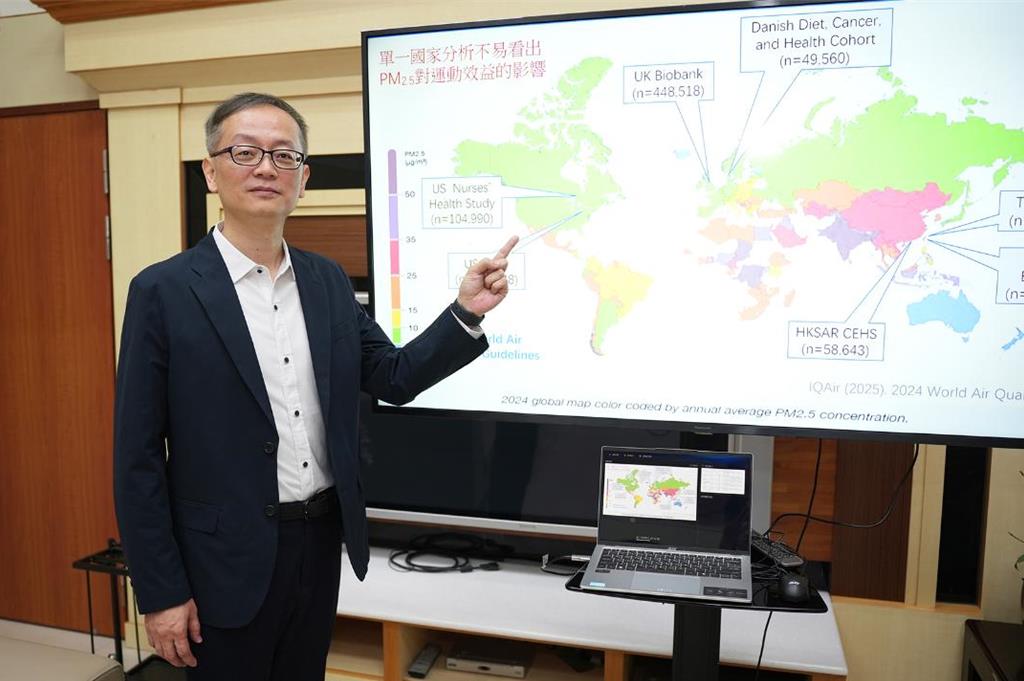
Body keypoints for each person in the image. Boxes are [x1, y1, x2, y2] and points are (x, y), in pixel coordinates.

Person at [113, 92, 518, 680]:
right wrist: (161, 592)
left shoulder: (326, 280)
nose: (266, 168)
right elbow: (138, 459)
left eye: (284, 155)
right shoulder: (162, 291)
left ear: (302, 179)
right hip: (220, 559)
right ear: (211, 172)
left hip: (319, 542)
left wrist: (465, 313)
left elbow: (393, 376)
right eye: (245, 152)